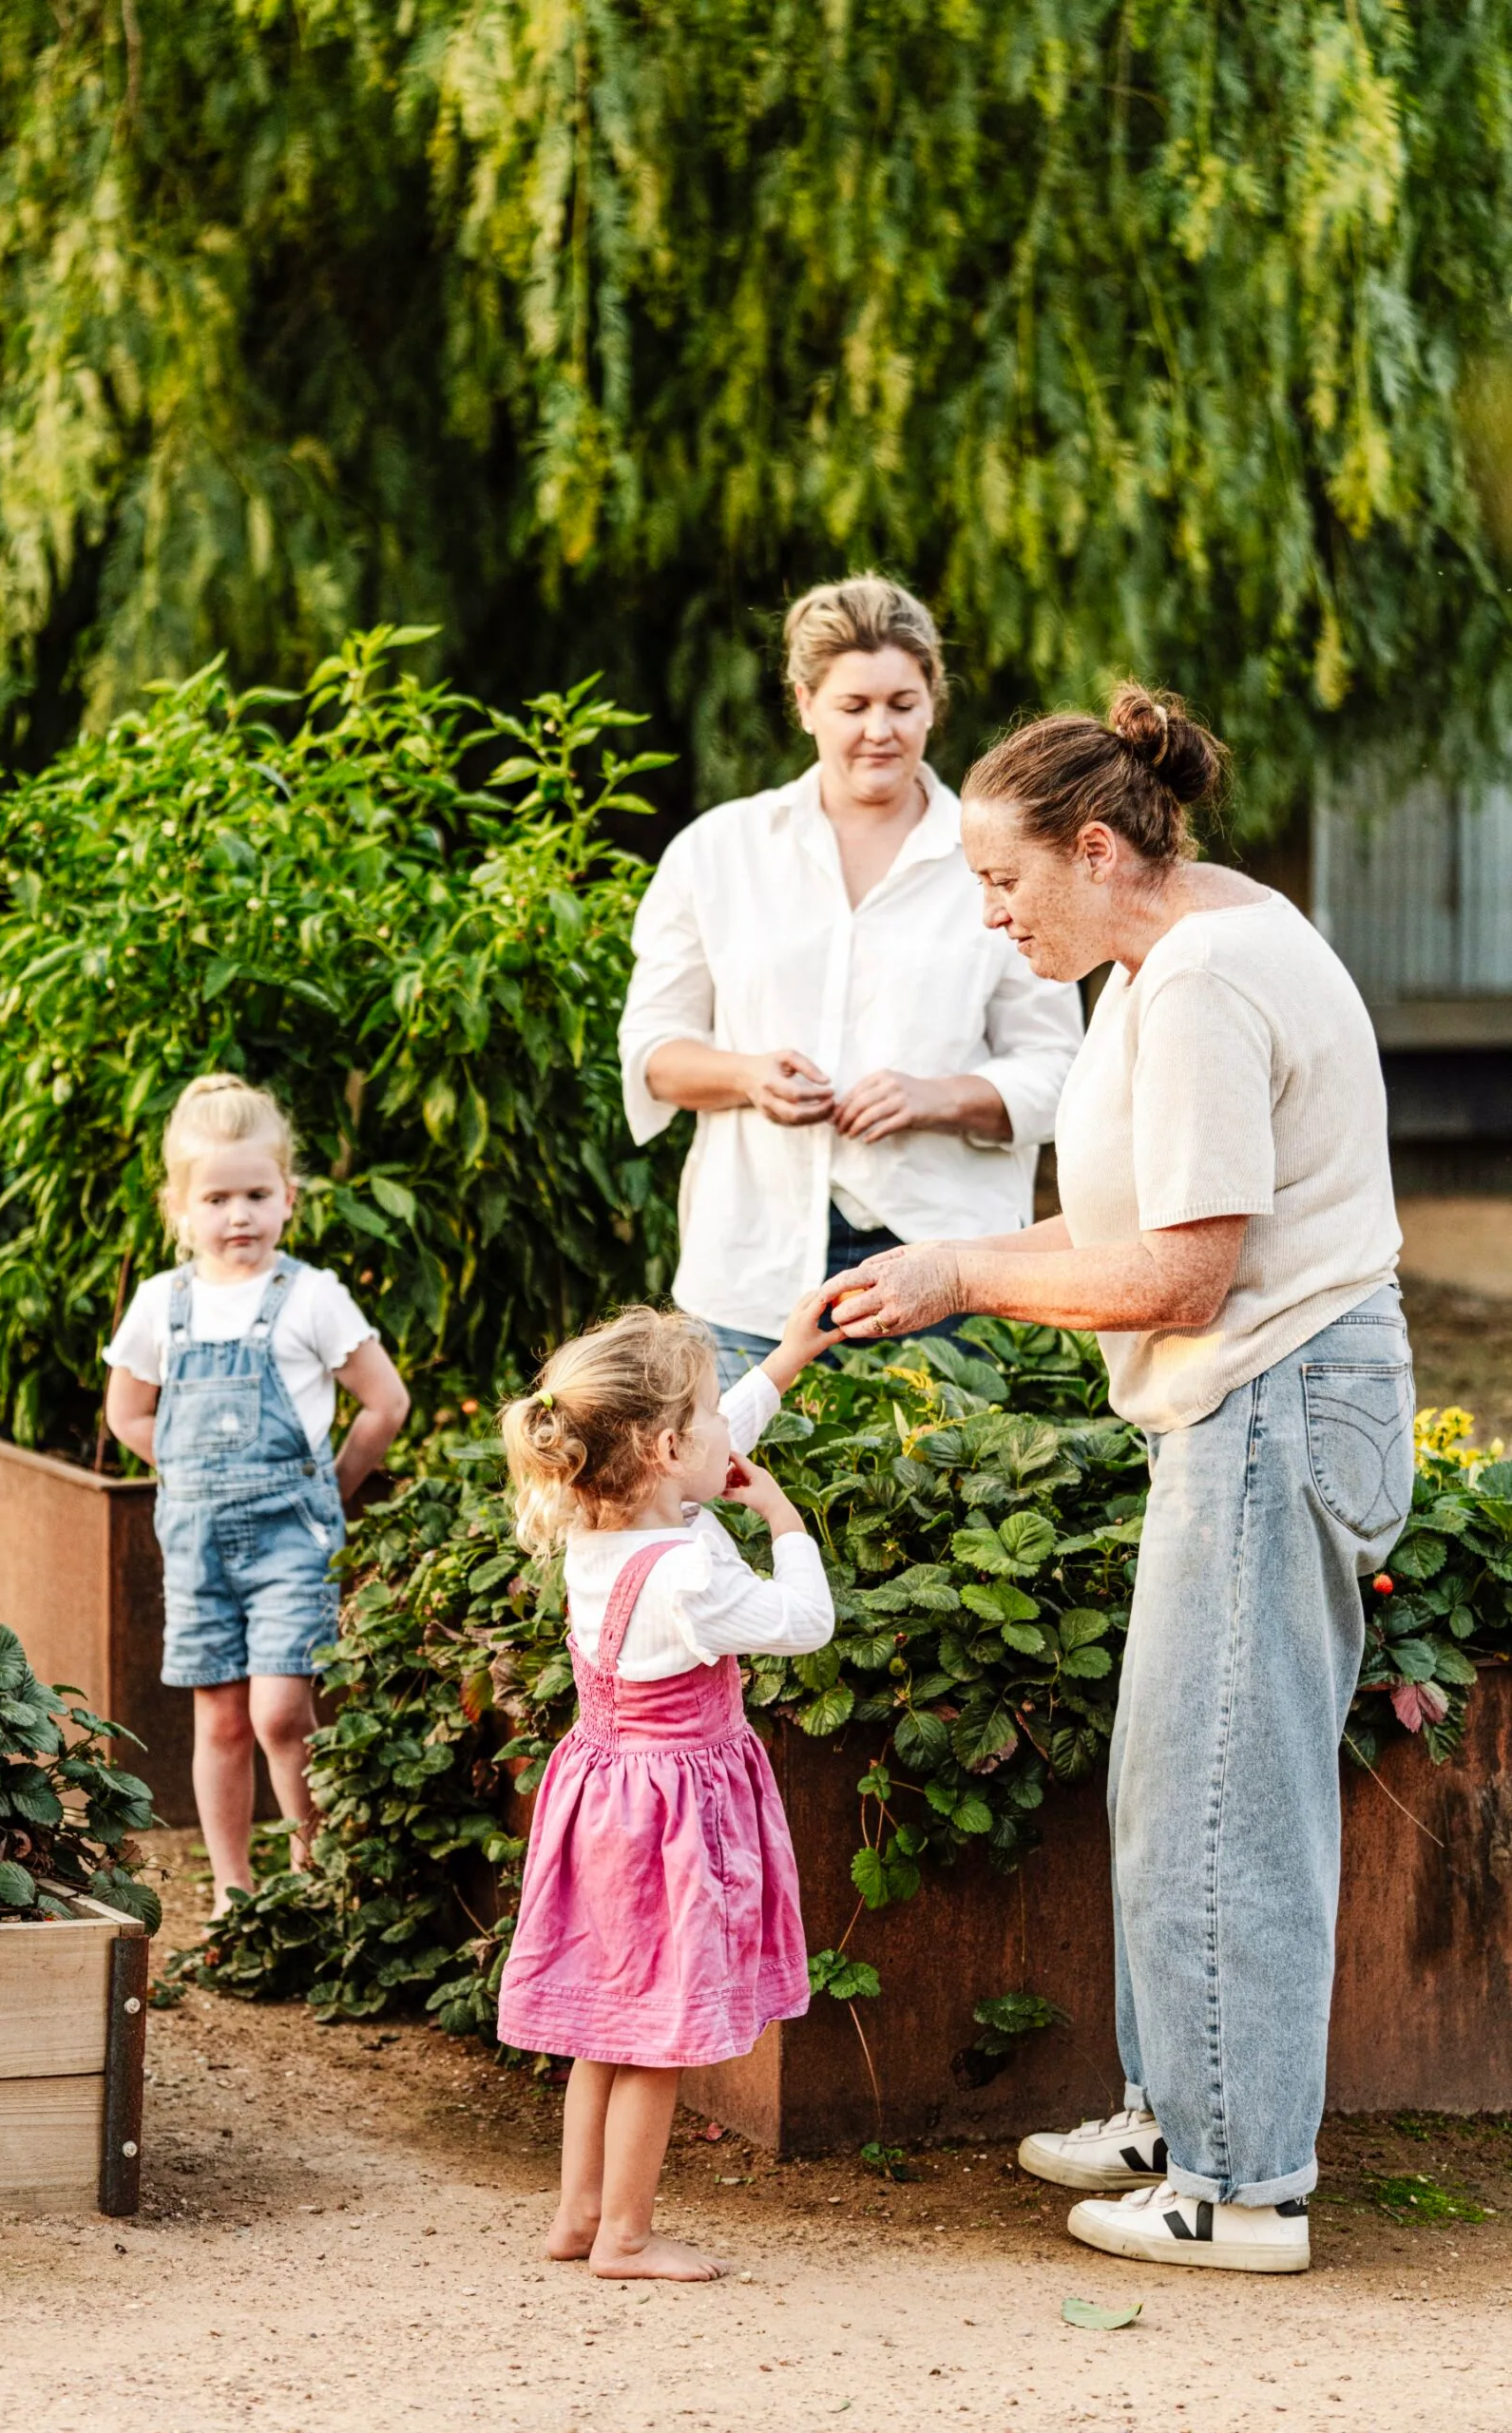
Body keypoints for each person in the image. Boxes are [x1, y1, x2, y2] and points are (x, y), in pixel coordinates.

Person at [821, 685, 1411, 2274]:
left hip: (1268, 1397)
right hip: (1247, 1405)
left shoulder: (1208, 975)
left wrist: (965, 1282)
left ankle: (1238, 2188)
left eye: (1002, 881)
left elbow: (1181, 1277)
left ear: (1096, 847)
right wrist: (930, 1261)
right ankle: (1176, 2114)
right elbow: (1121, 1240)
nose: (988, 913)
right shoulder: (1177, 944)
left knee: (1224, 1799)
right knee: (1171, 1781)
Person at [619, 573, 1081, 1384]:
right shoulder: (717, 852)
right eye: (851, 706)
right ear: (803, 704)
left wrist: (936, 1097)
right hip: (752, 1273)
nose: (879, 731)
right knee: (738, 1492)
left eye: (901, 704)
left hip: (949, 1266)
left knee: (946, 1499)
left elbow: (1059, 1071)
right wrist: (746, 1076)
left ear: (934, 700)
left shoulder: (1003, 861)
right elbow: (652, 1051)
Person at [496, 1296, 835, 2280]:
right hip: (673, 1815)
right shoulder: (692, 1566)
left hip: (600, 1798)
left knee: (605, 2024)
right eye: (711, 1421)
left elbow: (710, 1438)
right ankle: (628, 2237)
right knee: (654, 2038)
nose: (732, 1436)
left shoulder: (599, 1526)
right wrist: (783, 1519)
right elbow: (804, 1620)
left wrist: (788, 1359)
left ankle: (575, 2215)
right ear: (665, 1448)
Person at [104, 1075, 411, 1915]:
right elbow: (129, 1411)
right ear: (179, 1208)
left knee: (280, 1712)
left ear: (288, 1199)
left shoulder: (309, 1297)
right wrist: (187, 1470)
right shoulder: (161, 1305)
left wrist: (331, 1486)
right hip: (198, 1543)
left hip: (289, 1538)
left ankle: (315, 1879)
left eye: (256, 1194)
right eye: (216, 1198)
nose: (237, 1215)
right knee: (222, 1719)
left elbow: (385, 1403)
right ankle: (235, 1889)